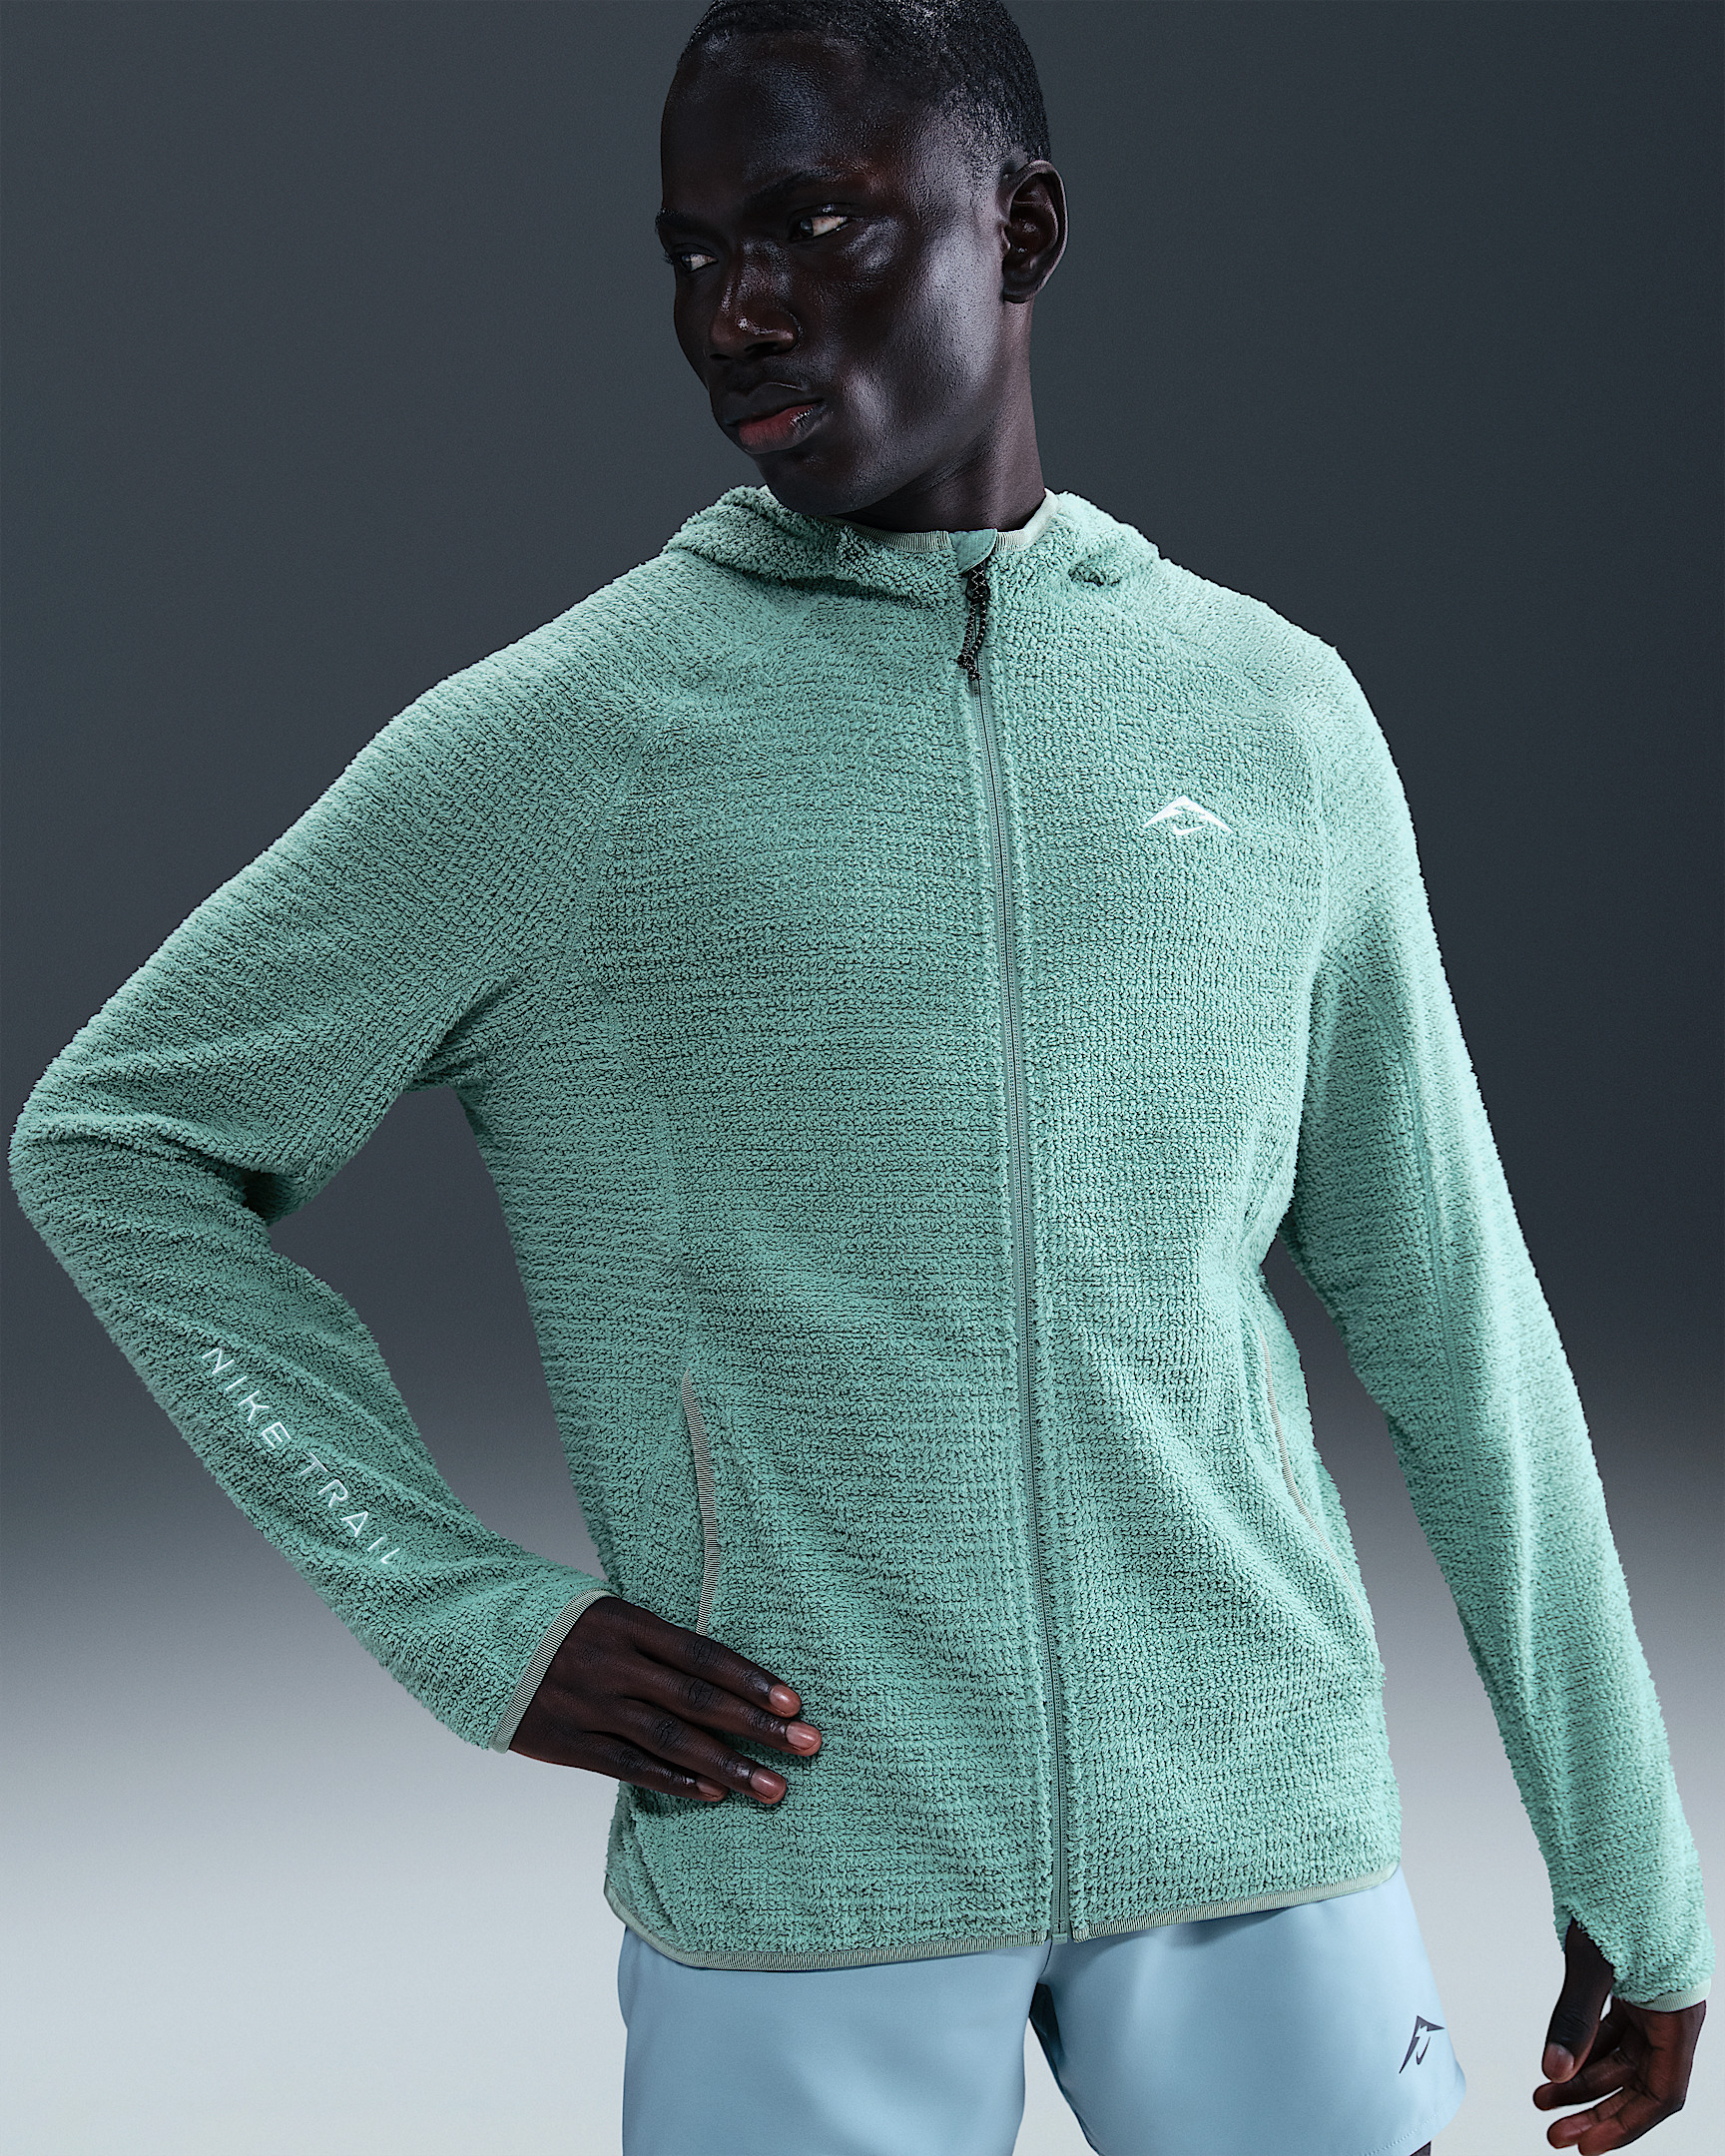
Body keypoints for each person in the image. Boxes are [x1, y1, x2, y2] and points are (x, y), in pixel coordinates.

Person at [8, 1, 1710, 2149]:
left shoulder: (1272, 718)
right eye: (692, 250)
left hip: (1256, 1825)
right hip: (808, 1858)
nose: (736, 309)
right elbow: (119, 1139)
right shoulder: (572, 744)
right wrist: (464, 1619)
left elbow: (1458, 1318)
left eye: (815, 224)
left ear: (1025, 229)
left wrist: (1633, 1862)